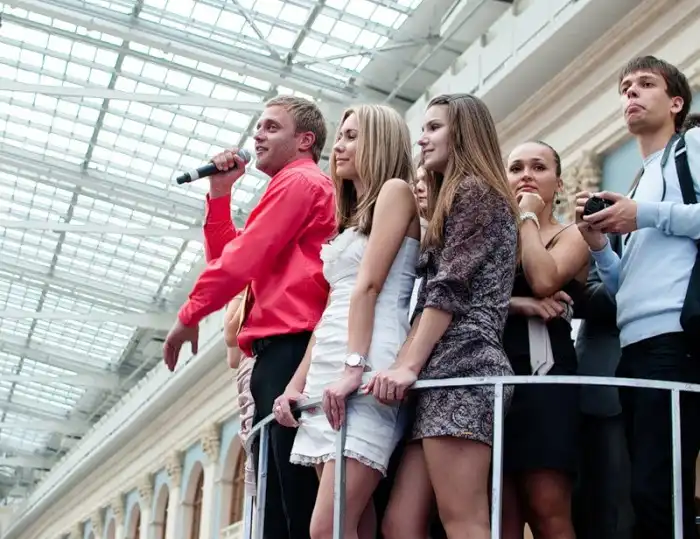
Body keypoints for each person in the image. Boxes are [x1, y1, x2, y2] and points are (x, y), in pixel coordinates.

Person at [163, 95, 336, 539]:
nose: (257, 135)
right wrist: (220, 194)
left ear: (305, 140)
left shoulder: (300, 182)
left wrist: (191, 313)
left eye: (271, 127)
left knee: (290, 502)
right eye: (257, 127)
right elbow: (235, 258)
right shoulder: (291, 186)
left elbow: (243, 257)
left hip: (290, 348)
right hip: (274, 353)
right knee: (275, 499)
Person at [372, 93, 520, 539]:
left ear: (464, 132)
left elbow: (448, 290)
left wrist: (406, 366)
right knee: (400, 524)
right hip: (440, 371)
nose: (422, 139)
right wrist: (407, 366)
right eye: (423, 129)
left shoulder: (476, 191)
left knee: (464, 520)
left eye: (434, 127)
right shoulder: (456, 198)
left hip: (465, 367)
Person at [273, 104, 419, 539]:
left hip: (368, 362)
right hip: (331, 364)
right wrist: (296, 384)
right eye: (339, 136)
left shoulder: (396, 191)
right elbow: (333, 308)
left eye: (352, 136)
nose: (337, 146)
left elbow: (369, 287)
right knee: (353, 523)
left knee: (327, 529)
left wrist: (355, 366)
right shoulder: (352, 220)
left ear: (379, 141)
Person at [575, 56, 700, 538]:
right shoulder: (638, 181)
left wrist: (643, 214)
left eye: (646, 84)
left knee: (660, 491)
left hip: (677, 339)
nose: (631, 93)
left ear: (676, 102)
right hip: (636, 348)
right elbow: (623, 284)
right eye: (625, 87)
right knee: (646, 491)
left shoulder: (690, 147)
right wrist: (599, 246)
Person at [502, 141, 589, 539]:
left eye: (538, 167)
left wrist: (527, 217)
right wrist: (517, 304)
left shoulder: (573, 234)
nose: (526, 175)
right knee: (501, 515)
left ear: (559, 182)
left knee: (546, 507)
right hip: (493, 375)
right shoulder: (494, 238)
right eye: (516, 168)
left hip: (547, 377)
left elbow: (543, 279)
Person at [573, 233, 633, 539]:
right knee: (593, 502)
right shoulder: (605, 231)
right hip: (599, 385)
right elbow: (586, 295)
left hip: (655, 380)